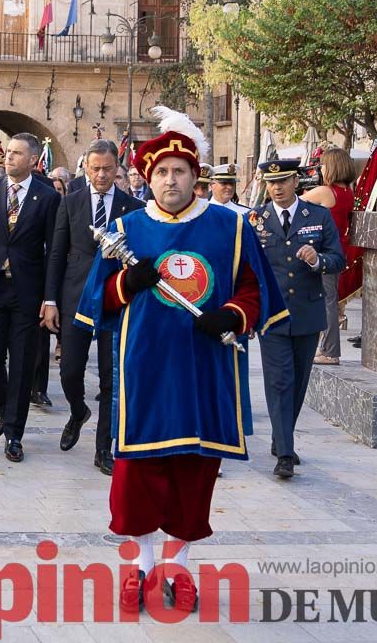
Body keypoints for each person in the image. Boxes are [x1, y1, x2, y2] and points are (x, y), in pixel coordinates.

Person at [74, 107, 286, 614]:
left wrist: (233, 316)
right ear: (148, 178)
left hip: (203, 368)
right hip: (144, 365)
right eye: (162, 172)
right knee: (137, 471)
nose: (171, 180)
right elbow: (96, 299)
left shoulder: (227, 227)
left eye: (180, 172)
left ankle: (179, 566)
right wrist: (128, 282)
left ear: (196, 176)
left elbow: (256, 291)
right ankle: (142, 567)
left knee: (195, 470)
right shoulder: (127, 228)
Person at [42, 139, 142, 476]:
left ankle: (104, 449)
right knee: (70, 369)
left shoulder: (132, 207)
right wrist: (51, 300)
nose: (101, 175)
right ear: (85, 167)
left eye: (108, 169)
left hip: (116, 301)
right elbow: (56, 253)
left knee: (110, 381)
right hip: (75, 298)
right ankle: (77, 410)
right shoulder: (69, 203)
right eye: (95, 168)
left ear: (118, 168)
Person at [0, 132, 61, 462]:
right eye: (8, 152)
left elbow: (54, 252)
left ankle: (14, 433)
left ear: (33, 160)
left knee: (22, 364)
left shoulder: (48, 197)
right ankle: (2, 406)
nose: (9, 157)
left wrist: (50, 298)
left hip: (27, 292)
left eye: (17, 153)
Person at [253, 158, 345, 479]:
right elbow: (247, 270)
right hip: (272, 315)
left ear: (296, 182)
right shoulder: (257, 220)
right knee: (279, 382)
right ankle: (286, 455)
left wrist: (318, 259)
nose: (276, 188)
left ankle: (282, 439)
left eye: (283, 181)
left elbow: (338, 259)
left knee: (298, 382)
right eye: (271, 182)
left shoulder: (317, 217)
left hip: (307, 312)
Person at [299, 147, 358, 366]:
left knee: (327, 303)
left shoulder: (326, 191)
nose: (320, 168)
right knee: (329, 301)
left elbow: (296, 202)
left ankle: (330, 350)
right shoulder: (347, 192)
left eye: (323, 164)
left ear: (332, 166)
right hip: (337, 251)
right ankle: (326, 347)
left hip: (323, 252)